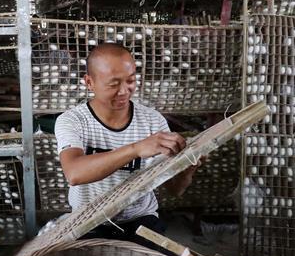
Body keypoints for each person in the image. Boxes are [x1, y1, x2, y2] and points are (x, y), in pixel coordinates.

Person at [55, 42, 201, 243]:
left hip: (140, 219)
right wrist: (136, 149)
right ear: (89, 83)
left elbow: (174, 190)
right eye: (113, 84)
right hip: (87, 222)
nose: (124, 91)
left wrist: (186, 170)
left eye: (131, 80)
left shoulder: (153, 120)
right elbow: (74, 173)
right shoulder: (73, 121)